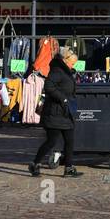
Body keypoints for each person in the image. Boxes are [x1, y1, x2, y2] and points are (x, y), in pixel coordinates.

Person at [29, 46, 81, 178]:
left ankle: (68, 168)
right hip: (54, 112)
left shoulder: (66, 71)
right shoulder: (57, 70)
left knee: (70, 140)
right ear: (65, 59)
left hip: (65, 113)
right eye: (72, 63)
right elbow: (48, 86)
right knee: (51, 141)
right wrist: (63, 98)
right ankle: (35, 164)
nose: (72, 65)